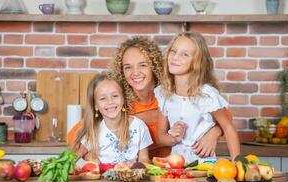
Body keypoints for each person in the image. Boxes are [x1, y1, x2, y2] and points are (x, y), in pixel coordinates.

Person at [68, 37, 223, 159]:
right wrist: (93, 158)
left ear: (154, 67)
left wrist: (214, 133)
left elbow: (224, 118)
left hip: (175, 167)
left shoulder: (171, 96)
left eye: (142, 65)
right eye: (128, 67)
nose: (135, 72)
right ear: (122, 72)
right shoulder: (118, 104)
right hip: (136, 173)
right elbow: (75, 135)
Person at [155, 32, 240, 163]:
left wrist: (237, 163)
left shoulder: (206, 94)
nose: (175, 57)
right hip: (175, 166)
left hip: (204, 166)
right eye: (173, 51)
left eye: (185, 54)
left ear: (197, 62)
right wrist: (174, 138)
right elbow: (161, 136)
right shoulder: (163, 93)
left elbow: (228, 128)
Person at [72, 73, 152, 163]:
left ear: (123, 99)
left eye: (115, 96)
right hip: (104, 177)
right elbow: (71, 159)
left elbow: (144, 159)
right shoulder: (93, 132)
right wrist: (88, 156)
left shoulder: (139, 126)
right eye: (102, 98)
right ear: (95, 106)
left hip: (132, 176)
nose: (110, 102)